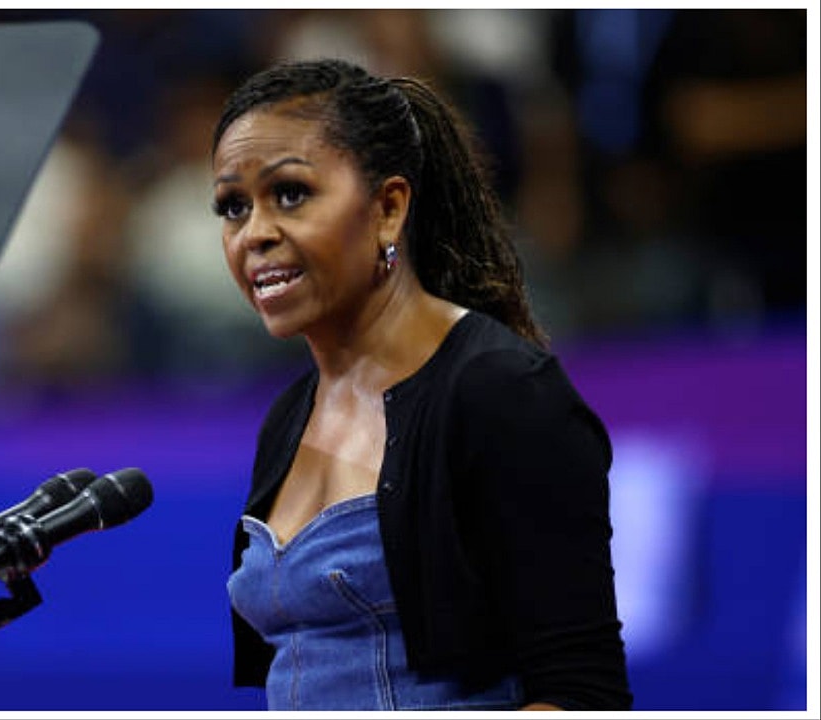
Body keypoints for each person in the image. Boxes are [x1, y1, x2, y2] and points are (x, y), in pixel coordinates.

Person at [212, 59, 631, 710]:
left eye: (290, 194)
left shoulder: (501, 393)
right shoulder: (289, 415)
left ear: (388, 208)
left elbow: (581, 693)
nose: (253, 234)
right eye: (233, 207)